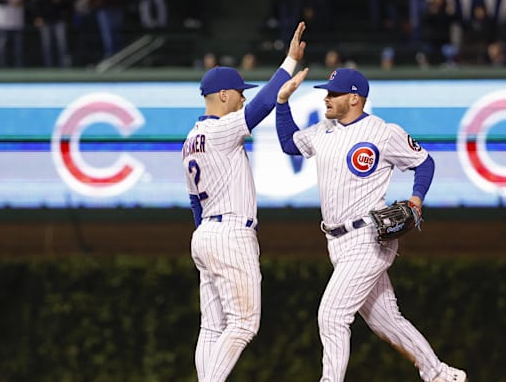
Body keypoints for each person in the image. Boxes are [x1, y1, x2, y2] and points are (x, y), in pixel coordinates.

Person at [274, 67, 468, 382]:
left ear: (354, 97)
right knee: (386, 321)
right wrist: (282, 103)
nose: (327, 97)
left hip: (368, 238)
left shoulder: (382, 132)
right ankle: (441, 375)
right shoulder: (324, 130)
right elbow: (289, 144)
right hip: (336, 241)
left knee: (332, 315)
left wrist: (416, 199)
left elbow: (424, 163)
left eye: (334, 92)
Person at [181, 21, 307, 382]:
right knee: (244, 324)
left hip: (206, 233)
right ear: (222, 95)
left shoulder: (191, 138)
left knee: (213, 327)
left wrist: (208, 237)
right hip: (231, 232)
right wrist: (289, 62)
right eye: (239, 92)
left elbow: (194, 203)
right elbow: (266, 102)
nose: (243, 97)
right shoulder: (221, 129)